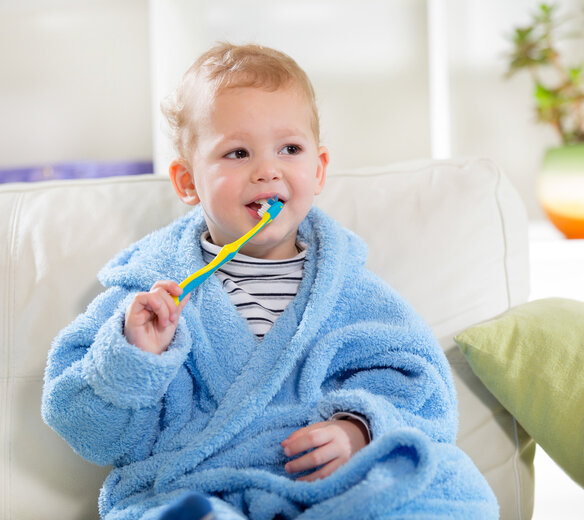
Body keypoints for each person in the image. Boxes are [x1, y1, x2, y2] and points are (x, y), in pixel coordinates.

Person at [42, 43, 498, 520]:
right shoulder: (149, 297)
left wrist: (357, 429)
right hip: (200, 484)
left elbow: (417, 383)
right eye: (237, 152)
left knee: (448, 487)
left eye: (290, 149)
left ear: (318, 169)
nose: (267, 170)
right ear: (187, 182)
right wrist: (134, 356)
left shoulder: (348, 289)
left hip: (329, 485)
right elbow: (89, 429)